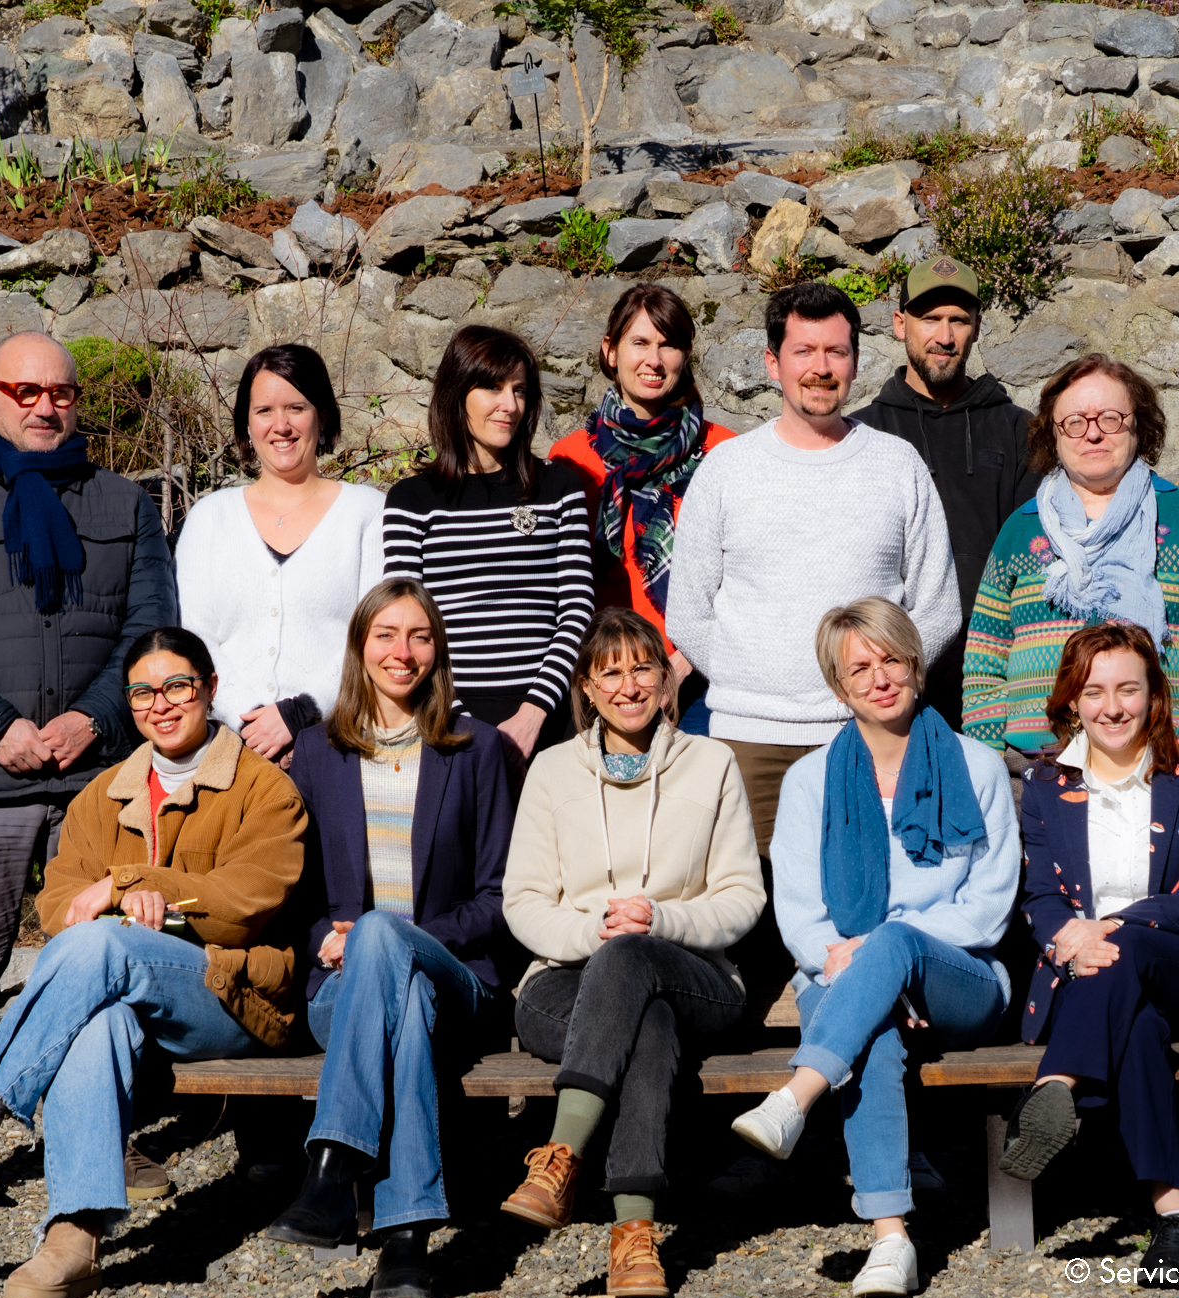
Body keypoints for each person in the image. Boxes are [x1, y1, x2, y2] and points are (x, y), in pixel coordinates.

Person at [0, 627, 308, 1298]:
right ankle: (73, 1240)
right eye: (142, 691)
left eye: (177, 686)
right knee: (93, 1021)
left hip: (231, 992)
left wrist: (143, 890)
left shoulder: (265, 788)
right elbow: (57, 906)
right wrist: (111, 908)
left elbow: (247, 902)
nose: (159, 704)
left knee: (99, 949)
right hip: (125, 994)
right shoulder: (103, 792)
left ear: (210, 689)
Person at [0, 330, 177, 1203]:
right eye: (24, 389)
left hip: (97, 781)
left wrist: (96, 716)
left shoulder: (125, 505)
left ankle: (98, 1141)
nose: (45, 405)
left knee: (94, 964)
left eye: (60, 392)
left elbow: (150, 623)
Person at [726, 597, 1018, 1298]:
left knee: (886, 946)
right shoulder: (809, 781)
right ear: (838, 685)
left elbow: (989, 904)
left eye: (892, 657)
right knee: (873, 1032)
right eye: (860, 666)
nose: (880, 676)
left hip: (962, 975)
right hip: (845, 972)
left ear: (916, 662)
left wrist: (900, 953)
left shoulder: (976, 766)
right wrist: (865, 964)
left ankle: (796, 1096)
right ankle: (892, 1238)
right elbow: (801, 912)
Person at [497, 607, 765, 1298]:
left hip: (695, 976)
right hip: (565, 982)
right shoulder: (553, 771)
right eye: (608, 671)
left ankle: (559, 1158)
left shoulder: (712, 763)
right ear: (585, 686)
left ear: (667, 679)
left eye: (642, 666)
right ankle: (634, 1234)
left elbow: (742, 896)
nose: (628, 684)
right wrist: (594, 933)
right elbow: (524, 899)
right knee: (641, 1017)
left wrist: (661, 917)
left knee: (635, 960)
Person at [261, 577, 515, 1298]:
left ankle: (333, 1166)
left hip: (457, 977)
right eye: (386, 635)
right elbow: (299, 894)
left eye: (419, 636)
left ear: (437, 652)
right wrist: (320, 939)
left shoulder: (479, 749)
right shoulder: (315, 753)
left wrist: (392, 936)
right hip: (342, 988)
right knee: (397, 1003)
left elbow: (497, 899)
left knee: (385, 942)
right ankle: (405, 1243)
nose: (402, 652)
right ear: (360, 647)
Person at [665, 280, 962, 887]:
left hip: (871, 738)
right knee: (757, 925)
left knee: (872, 899)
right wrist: (756, 679)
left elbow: (938, 607)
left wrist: (879, 689)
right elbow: (689, 611)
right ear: (773, 363)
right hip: (750, 742)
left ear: (855, 360)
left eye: (837, 352)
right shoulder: (726, 470)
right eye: (804, 352)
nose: (821, 369)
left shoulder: (897, 465)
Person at [994, 622, 1179, 1290]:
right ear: (1072, 700)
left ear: (1154, 694)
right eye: (1094, 690)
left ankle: (1055, 1086)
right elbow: (1042, 893)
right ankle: (1174, 1218)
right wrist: (1064, 940)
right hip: (1096, 981)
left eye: (1128, 688)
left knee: (1126, 943)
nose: (1112, 706)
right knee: (1137, 1028)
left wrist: (1104, 927)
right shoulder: (1047, 783)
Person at [962, 353, 1179, 781]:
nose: (1093, 434)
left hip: (1167, 766)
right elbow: (984, 665)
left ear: (1139, 425)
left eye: (1111, 418)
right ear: (1054, 434)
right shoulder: (1019, 531)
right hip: (1038, 770)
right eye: (1075, 422)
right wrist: (983, 774)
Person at [383, 326, 595, 763]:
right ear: (457, 393)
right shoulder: (413, 500)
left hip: (550, 719)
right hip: (448, 723)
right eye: (492, 387)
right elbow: (406, 624)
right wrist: (459, 720)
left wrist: (534, 713)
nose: (510, 405)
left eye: (519, 390)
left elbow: (576, 610)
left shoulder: (558, 487)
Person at [850, 256, 1038, 727]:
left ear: (977, 327)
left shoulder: (1020, 431)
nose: (945, 336)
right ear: (900, 324)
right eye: (929, 318)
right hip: (888, 669)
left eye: (958, 320)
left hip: (997, 667)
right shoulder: (863, 434)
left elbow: (1037, 555)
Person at [176, 344, 385, 767]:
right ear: (246, 425)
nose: (281, 425)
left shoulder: (368, 513)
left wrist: (301, 713)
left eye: (296, 407)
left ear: (322, 417)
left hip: (338, 751)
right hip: (231, 754)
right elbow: (196, 638)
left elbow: (373, 634)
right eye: (264, 411)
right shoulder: (209, 519)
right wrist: (251, 723)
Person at [549, 284, 736, 732]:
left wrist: (681, 666)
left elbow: (746, 577)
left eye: (668, 345)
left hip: (702, 681)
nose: (654, 360)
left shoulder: (726, 453)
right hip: (607, 684)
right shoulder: (571, 459)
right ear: (610, 352)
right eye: (640, 343)